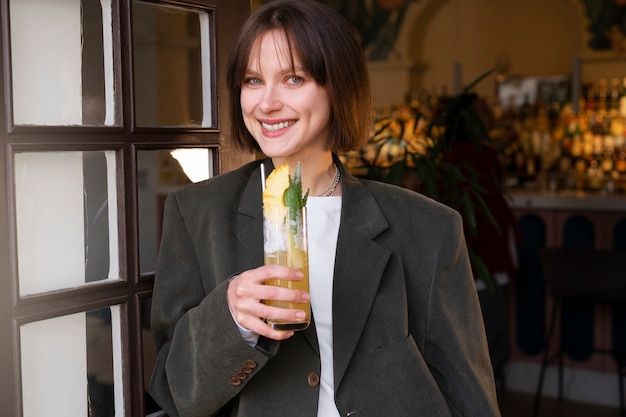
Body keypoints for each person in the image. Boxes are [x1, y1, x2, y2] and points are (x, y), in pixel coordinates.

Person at [148, 1, 501, 416]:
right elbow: (173, 392)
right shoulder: (196, 214)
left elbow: (467, 395)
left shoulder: (427, 227)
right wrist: (230, 319)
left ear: (339, 88)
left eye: (293, 78)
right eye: (253, 80)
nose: (267, 103)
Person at [440, 92, 521, 388]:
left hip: (482, 251)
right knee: (489, 326)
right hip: (479, 251)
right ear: (468, 121)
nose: (489, 117)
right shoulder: (463, 158)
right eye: (483, 112)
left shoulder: (460, 156)